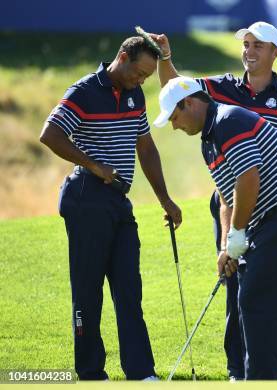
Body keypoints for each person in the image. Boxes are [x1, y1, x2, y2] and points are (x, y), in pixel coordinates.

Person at [150, 21, 277, 380]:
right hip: (233, 202)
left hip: (274, 204)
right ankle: (240, 369)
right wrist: (229, 239)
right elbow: (177, 92)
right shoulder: (221, 91)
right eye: (246, 44)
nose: (249, 51)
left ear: (274, 53)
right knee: (237, 284)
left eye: (257, 45)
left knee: (272, 289)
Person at [39, 37, 182, 380]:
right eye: (139, 72)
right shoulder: (85, 91)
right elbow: (50, 134)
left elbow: (146, 150)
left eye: (148, 76)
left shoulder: (135, 95)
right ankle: (91, 374)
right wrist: (95, 166)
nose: (142, 81)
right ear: (122, 57)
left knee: (129, 291)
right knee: (88, 294)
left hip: (118, 202)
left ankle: (141, 373)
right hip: (86, 197)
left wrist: (165, 199)